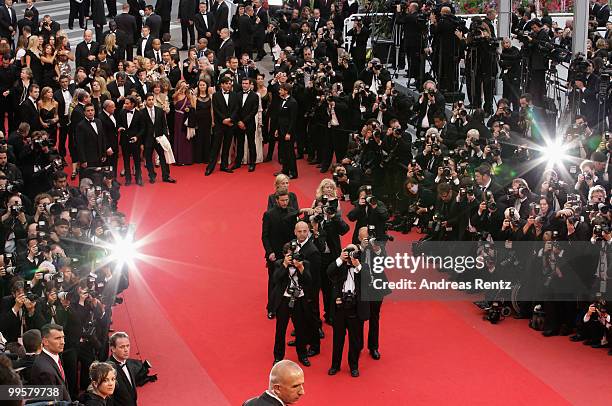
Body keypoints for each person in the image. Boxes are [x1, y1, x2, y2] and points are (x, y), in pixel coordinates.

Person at [327, 245, 370, 378]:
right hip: (340, 307)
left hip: (356, 308)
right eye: (348, 252)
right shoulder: (340, 266)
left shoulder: (362, 267)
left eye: (354, 252)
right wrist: (340, 258)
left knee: (355, 340)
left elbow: (368, 280)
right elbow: (329, 272)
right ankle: (335, 365)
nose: (351, 255)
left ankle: (354, 366)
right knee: (338, 338)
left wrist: (357, 265)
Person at [206, 76, 239, 175]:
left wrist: (230, 119)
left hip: (230, 124)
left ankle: (224, 166)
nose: (228, 85)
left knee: (227, 146)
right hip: (220, 125)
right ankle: (210, 167)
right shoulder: (216, 95)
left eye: (230, 84)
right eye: (227, 83)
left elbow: (236, 109)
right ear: (222, 85)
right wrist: (224, 119)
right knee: (215, 146)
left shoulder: (234, 95)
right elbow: (216, 110)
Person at [30, 323, 71, 401]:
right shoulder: (45, 370)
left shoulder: (55, 357)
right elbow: (53, 402)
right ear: (45, 342)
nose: (63, 342)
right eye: (58, 338)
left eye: (63, 338)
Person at [143, 92, 176, 183]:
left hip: (159, 138)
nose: (151, 101)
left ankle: (166, 176)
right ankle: (152, 175)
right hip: (148, 139)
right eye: (149, 100)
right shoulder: (142, 113)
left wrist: (165, 136)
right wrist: (142, 142)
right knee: (149, 158)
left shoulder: (159, 110)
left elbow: (164, 125)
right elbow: (141, 128)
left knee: (163, 157)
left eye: (152, 99)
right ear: (145, 101)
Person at [116, 95, 144, 186]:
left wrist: (137, 137)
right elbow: (118, 123)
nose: (125, 105)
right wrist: (119, 127)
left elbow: (143, 128)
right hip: (124, 140)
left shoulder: (139, 114)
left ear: (133, 104)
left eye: (127, 103)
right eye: (125, 103)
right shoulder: (122, 112)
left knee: (137, 160)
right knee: (126, 160)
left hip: (135, 141)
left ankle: (138, 178)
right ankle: (128, 179)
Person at [274, 83, 298, 179]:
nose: (279, 91)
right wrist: (277, 129)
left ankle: (293, 172)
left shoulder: (293, 102)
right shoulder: (281, 101)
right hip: (281, 130)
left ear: (286, 91)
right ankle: (284, 170)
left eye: (281, 90)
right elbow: (279, 117)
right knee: (283, 151)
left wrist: (289, 133)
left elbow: (293, 119)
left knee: (290, 153)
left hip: (288, 132)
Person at [107, 332, 138, 406]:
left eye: (128, 346)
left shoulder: (129, 362)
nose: (126, 349)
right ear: (113, 348)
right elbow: (108, 399)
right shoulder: (108, 369)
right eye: (122, 347)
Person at [235, 77, 258, 172]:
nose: (244, 85)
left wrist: (244, 122)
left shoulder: (255, 96)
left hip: (250, 123)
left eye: (246, 83)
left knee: (251, 143)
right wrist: (239, 121)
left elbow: (254, 111)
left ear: (250, 84)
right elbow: (235, 109)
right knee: (239, 144)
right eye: (243, 83)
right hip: (239, 123)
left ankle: (252, 163)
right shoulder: (238, 95)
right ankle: (238, 162)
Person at [191, 78, 213, 164]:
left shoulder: (210, 97)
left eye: (204, 85)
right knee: (199, 139)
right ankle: (198, 158)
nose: (202, 86)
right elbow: (194, 110)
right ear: (198, 87)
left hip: (208, 120)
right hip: (198, 121)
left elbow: (211, 110)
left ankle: (206, 158)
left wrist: (213, 121)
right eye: (200, 85)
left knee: (207, 139)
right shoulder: (195, 97)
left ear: (207, 86)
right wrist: (195, 122)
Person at [172, 80, 194, 165]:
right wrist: (180, 89)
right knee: (179, 136)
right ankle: (179, 159)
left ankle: (187, 159)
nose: (184, 87)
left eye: (185, 86)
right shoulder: (176, 95)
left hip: (186, 117)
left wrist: (189, 108)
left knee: (186, 137)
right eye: (182, 86)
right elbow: (173, 98)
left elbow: (193, 105)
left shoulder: (188, 95)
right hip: (178, 117)